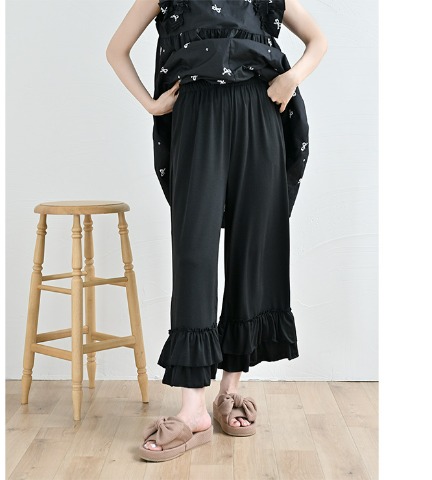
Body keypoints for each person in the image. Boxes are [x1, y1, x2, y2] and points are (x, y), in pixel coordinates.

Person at [106, 0, 327, 462]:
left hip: (259, 111)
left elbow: (317, 40)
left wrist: (291, 78)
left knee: (252, 247)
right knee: (194, 253)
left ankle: (229, 389)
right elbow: (116, 50)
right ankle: (193, 411)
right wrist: (151, 104)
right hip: (196, 112)